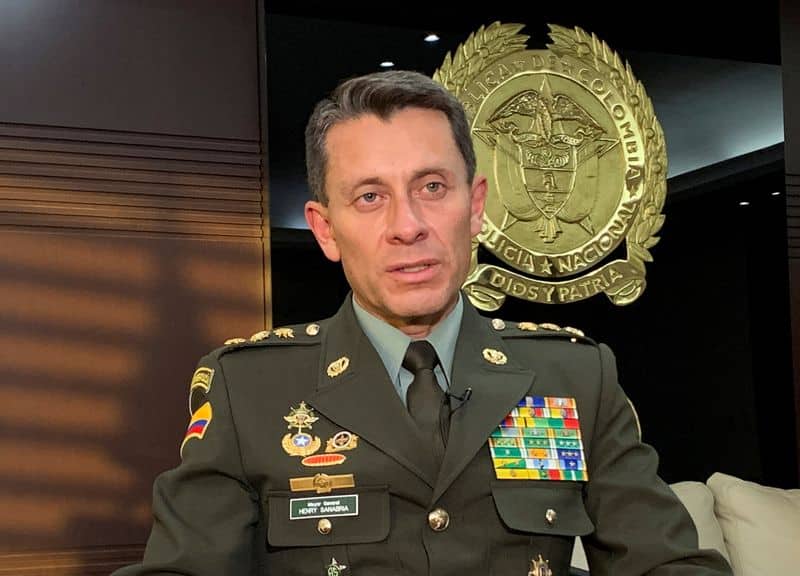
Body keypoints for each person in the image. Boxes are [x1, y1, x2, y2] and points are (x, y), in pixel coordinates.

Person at [114, 70, 732, 575]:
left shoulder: (573, 375)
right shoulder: (247, 389)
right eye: (370, 197)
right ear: (326, 229)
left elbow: (667, 563)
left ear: (476, 206)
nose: (407, 225)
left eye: (432, 187)